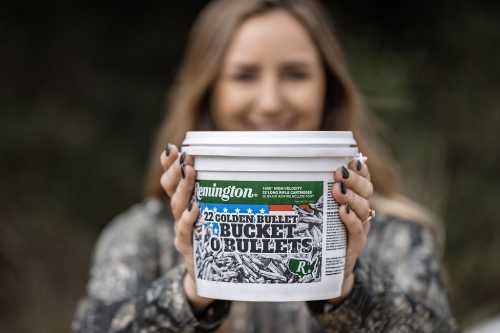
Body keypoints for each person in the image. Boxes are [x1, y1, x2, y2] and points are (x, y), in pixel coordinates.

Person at [72, 0, 459, 332]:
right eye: (244, 75)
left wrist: (349, 290)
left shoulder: (396, 237)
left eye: (295, 74)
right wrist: (191, 292)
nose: (271, 101)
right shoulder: (143, 236)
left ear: (328, 88)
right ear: (209, 91)